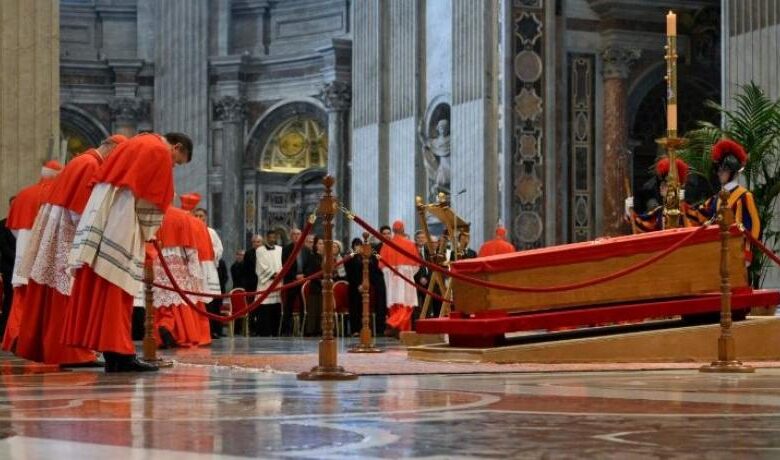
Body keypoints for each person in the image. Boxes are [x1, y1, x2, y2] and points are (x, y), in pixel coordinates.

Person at [63, 132, 192, 373]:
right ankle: (120, 355)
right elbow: (151, 201)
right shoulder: (158, 150)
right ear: (176, 147)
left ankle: (114, 353)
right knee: (117, 289)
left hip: (108, 215)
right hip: (122, 220)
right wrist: (149, 232)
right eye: (177, 162)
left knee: (105, 286)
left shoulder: (136, 142)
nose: (172, 166)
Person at [15, 136, 128, 365]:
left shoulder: (81, 161)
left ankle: (60, 349)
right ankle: (71, 353)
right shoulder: (90, 164)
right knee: (67, 293)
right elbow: (81, 210)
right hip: (68, 234)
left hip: (59, 230)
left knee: (59, 293)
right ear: (111, 149)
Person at [1, 160, 63, 352]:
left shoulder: (23, 195)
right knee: (43, 303)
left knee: (20, 300)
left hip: (21, 255)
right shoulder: (55, 193)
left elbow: (12, 228)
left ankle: (15, 337)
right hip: (43, 255)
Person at [689, 139, 760, 263]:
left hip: (737, 255)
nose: (719, 173)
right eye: (719, 169)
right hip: (716, 254)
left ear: (733, 172)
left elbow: (754, 227)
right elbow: (699, 216)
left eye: (724, 169)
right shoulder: (716, 199)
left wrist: (746, 253)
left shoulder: (744, 196)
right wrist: (680, 206)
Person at [624, 157, 693, 232]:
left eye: (666, 184)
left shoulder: (686, 210)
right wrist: (629, 210)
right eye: (661, 184)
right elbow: (644, 224)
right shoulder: (659, 212)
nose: (661, 187)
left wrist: (681, 202)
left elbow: (699, 223)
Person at [379, 220, 420, 337]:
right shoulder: (410, 245)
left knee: (395, 304)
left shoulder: (386, 246)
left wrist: (393, 273)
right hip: (406, 278)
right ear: (403, 230)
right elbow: (416, 265)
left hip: (391, 279)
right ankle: (396, 324)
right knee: (407, 304)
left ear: (393, 230)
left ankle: (397, 328)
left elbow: (381, 266)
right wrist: (407, 272)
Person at [192, 205, 226, 338]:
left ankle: (214, 330)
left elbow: (219, 248)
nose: (199, 218)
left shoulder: (211, 232)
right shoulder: (191, 230)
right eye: (197, 216)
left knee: (212, 302)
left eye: (202, 217)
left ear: (206, 219)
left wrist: (212, 254)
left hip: (209, 268)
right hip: (196, 268)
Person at [281, 227, 310, 335]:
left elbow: (309, 265)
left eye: (298, 234)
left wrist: (304, 275)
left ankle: (304, 330)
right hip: (291, 280)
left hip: (303, 281)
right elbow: (285, 265)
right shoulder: (286, 249)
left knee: (305, 306)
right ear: (290, 236)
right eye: (294, 234)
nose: (296, 236)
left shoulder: (306, 250)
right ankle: (287, 331)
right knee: (289, 306)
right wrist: (295, 276)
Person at [254, 229, 282, 336]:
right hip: (265, 283)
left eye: (274, 237)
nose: (272, 239)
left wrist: (280, 274)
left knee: (275, 306)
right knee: (264, 307)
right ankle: (264, 331)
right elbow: (261, 265)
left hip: (277, 283)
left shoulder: (280, 249)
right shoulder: (260, 250)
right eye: (270, 237)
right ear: (266, 238)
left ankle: (275, 331)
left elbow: (282, 263)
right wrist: (273, 274)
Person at [0, 198, 17, 336]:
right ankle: (5, 331)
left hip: (25, 269)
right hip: (9, 267)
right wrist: (18, 259)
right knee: (10, 298)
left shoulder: (30, 222)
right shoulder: (2, 224)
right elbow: (4, 247)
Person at [303, 237, 324, 336]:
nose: (322, 245)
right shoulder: (312, 257)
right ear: (315, 245)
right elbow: (310, 272)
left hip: (324, 287)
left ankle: (320, 329)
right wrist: (320, 281)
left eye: (323, 243)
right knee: (313, 309)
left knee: (321, 309)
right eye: (319, 243)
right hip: (315, 286)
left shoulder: (324, 257)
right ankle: (311, 330)